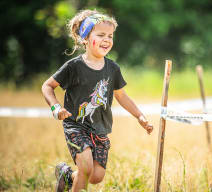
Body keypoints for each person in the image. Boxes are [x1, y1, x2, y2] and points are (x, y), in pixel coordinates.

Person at [41, 9, 153, 192]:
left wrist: (139, 116)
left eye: (110, 35)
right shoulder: (73, 66)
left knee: (95, 176)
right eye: (100, 35)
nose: (107, 39)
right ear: (85, 38)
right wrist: (56, 108)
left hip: (100, 129)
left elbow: (121, 96)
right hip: (76, 126)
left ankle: (67, 176)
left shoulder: (113, 69)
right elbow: (47, 86)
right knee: (85, 167)